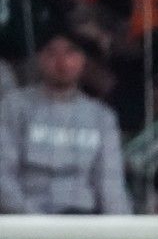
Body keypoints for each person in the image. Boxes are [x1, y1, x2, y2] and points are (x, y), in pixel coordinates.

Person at [0, 30, 130, 214]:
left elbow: (111, 185)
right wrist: (38, 229)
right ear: (39, 59)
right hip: (27, 223)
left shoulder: (101, 117)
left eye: (71, 52)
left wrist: (127, 234)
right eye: (52, 53)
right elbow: (4, 178)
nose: (61, 62)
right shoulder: (13, 107)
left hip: (83, 224)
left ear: (83, 60)